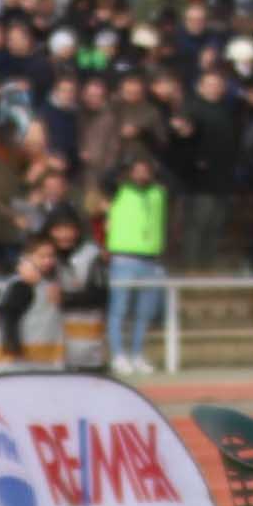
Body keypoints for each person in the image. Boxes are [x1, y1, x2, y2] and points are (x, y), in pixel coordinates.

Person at [102, 152, 170, 375]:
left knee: (144, 312)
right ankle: (119, 355)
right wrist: (122, 162)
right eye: (137, 168)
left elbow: (176, 182)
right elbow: (105, 179)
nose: (142, 173)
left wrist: (159, 166)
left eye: (146, 169)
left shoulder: (158, 192)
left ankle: (137, 353)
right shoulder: (119, 190)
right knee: (119, 310)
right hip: (124, 257)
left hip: (151, 259)